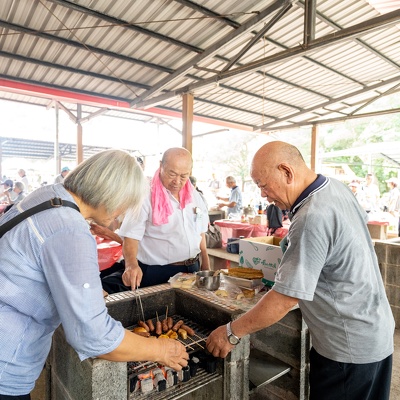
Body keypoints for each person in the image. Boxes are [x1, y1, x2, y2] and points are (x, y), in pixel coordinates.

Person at [206, 141, 394, 400]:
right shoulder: (336, 188)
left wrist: (231, 333)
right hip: (376, 331)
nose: (264, 195)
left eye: (263, 184)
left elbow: (285, 298)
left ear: (286, 171)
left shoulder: (311, 216)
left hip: (347, 349)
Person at [0, 149, 189, 399]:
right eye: (124, 204)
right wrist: (160, 349)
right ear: (112, 194)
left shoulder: (47, 195)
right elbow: (93, 335)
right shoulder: (70, 229)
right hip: (7, 359)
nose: (119, 215)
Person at [102, 147, 210, 292]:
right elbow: (130, 238)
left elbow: (200, 233)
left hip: (192, 269)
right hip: (158, 272)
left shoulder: (194, 196)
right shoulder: (145, 195)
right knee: (159, 313)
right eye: (172, 174)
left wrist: (206, 264)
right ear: (161, 166)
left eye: (184, 176)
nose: (177, 181)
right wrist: (131, 265)